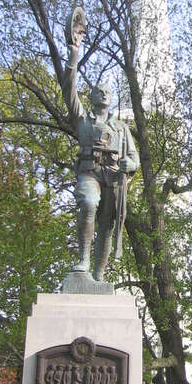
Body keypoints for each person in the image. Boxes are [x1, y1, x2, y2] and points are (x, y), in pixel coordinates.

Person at [62, 25, 139, 280]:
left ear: (112, 98)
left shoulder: (121, 128)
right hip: (90, 172)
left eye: (108, 91)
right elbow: (68, 89)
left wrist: (129, 164)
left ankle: (100, 273)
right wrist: (74, 55)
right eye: (99, 90)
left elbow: (135, 159)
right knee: (87, 203)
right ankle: (83, 258)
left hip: (114, 178)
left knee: (107, 226)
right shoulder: (83, 120)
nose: (104, 93)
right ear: (92, 96)